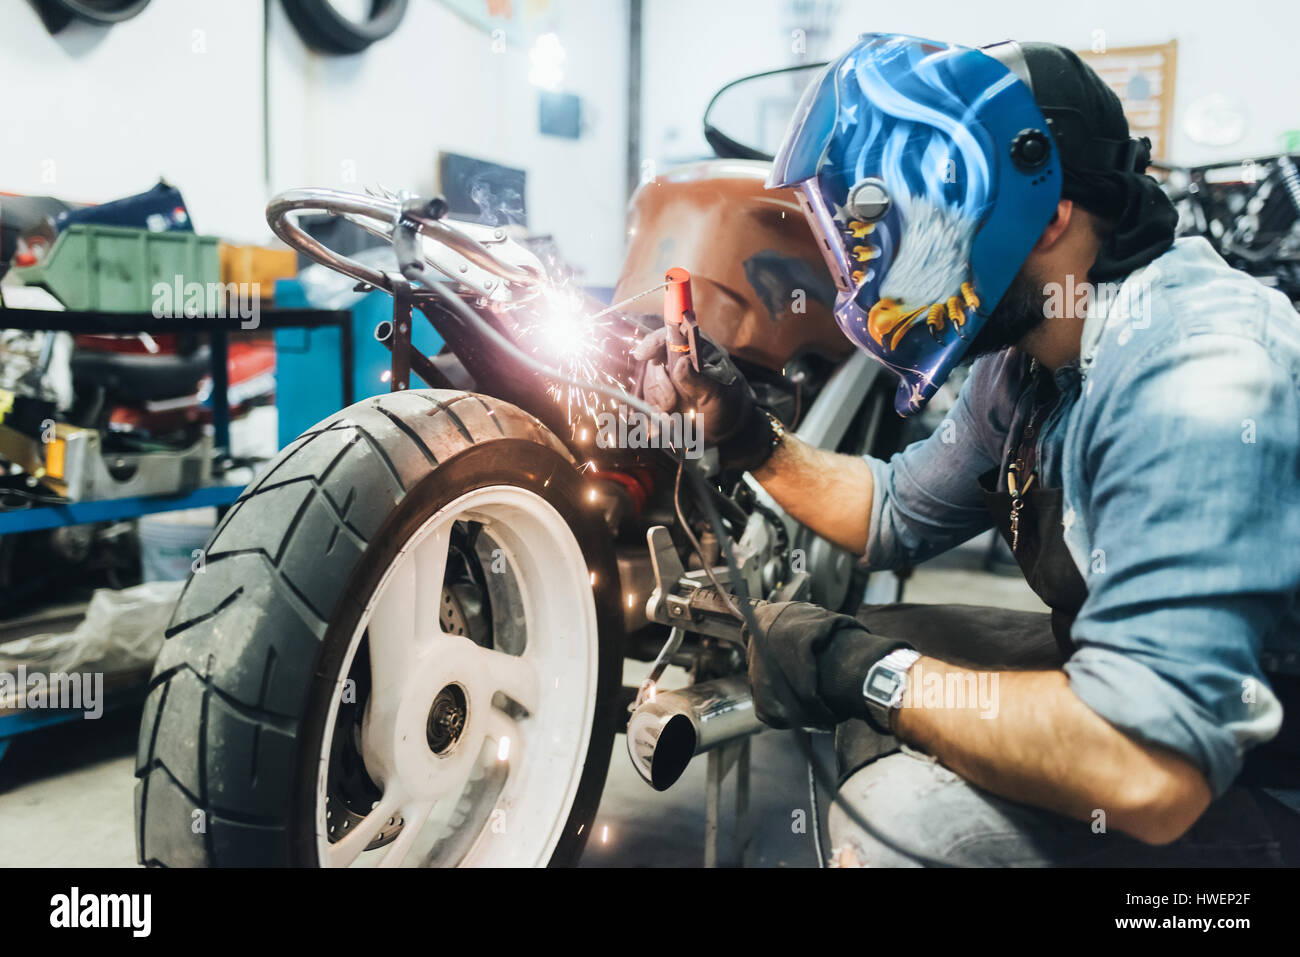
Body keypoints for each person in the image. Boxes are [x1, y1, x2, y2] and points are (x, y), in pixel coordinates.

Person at [633, 33, 1300, 865]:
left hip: (1252, 770)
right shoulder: (1029, 361)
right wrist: (746, 434)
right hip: (1160, 704)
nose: (885, 260)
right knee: (870, 633)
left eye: (920, 216)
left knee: (901, 819)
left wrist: (869, 674)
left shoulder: (1199, 369)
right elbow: (891, 510)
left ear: (1047, 207)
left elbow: (1149, 767)